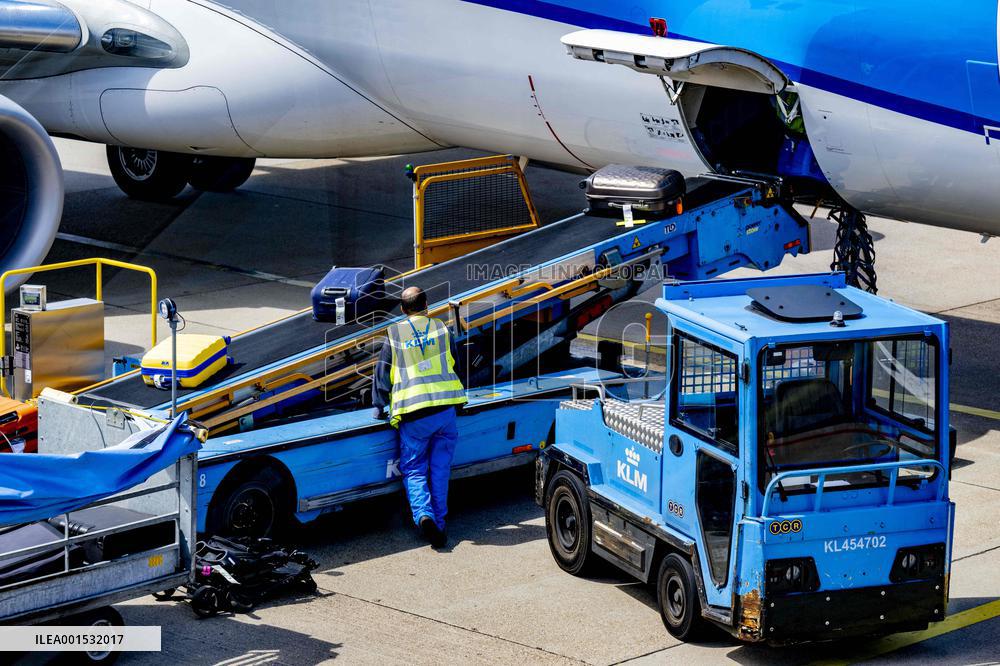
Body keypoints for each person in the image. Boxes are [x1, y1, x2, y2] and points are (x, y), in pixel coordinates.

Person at [372, 286, 466, 548]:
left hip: (413, 414)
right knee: (440, 468)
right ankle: (440, 521)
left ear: (403, 309)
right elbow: (456, 364)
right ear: (426, 304)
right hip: (445, 410)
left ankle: (423, 515)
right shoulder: (441, 328)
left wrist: (379, 405)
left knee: (414, 469)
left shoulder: (394, 334)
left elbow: (382, 374)